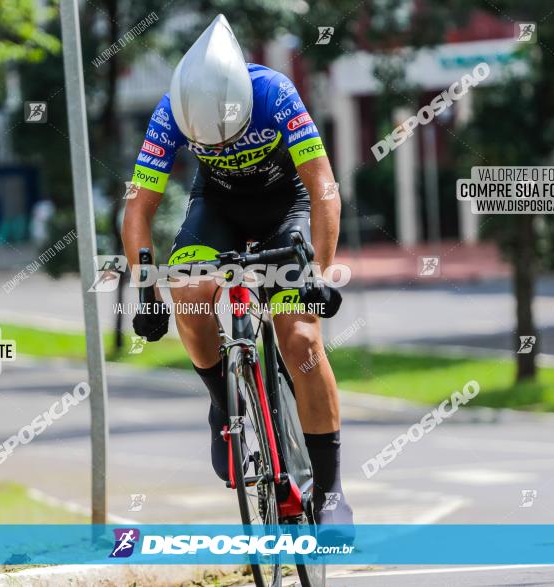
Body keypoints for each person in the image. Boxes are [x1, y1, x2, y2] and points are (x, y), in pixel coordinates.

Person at [121, 14, 353, 526]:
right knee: (190, 291)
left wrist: (319, 272)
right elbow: (138, 210)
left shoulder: (275, 92)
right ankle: (223, 401)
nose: (222, 149)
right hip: (218, 209)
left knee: (301, 341)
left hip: (285, 207)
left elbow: (324, 189)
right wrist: (145, 291)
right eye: (210, 144)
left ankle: (331, 488)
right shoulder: (168, 112)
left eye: (228, 138)